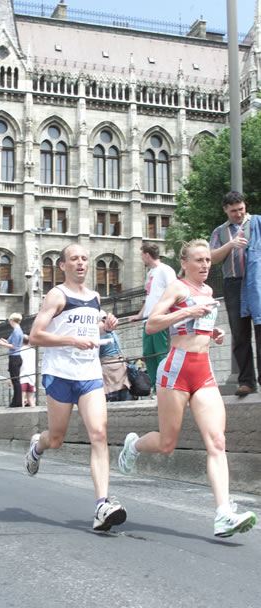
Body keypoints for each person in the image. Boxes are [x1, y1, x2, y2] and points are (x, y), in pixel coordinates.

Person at [118, 239, 256, 538]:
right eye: (198, 260)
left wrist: (212, 331)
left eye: (207, 260)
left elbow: (196, 326)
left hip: (203, 372)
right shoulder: (177, 288)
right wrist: (186, 313)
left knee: (217, 441)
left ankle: (223, 514)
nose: (205, 265)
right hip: (176, 372)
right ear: (184, 263)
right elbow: (152, 324)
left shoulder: (208, 291)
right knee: (167, 443)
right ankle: (134, 446)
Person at [26, 243, 127, 532]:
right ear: (63, 266)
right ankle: (38, 446)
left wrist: (105, 328)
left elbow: (86, 330)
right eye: (74, 259)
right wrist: (72, 340)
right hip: (60, 374)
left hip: (89, 374)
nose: (81, 263)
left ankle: (102, 505)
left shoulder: (95, 297)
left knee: (99, 433)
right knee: (56, 438)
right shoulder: (57, 295)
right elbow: (35, 336)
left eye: (84, 258)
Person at [210, 191, 261, 397]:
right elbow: (211, 258)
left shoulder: (257, 223)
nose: (238, 214)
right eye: (233, 211)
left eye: (241, 209)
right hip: (233, 284)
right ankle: (246, 381)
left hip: (257, 282)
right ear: (225, 210)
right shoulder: (219, 232)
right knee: (240, 334)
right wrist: (230, 245)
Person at [129, 243, 176, 389]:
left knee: (161, 353)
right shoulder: (151, 273)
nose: (142, 258)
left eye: (142, 255)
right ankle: (156, 387)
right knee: (148, 354)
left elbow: (174, 292)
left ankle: (165, 386)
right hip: (148, 320)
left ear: (147, 255)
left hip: (160, 319)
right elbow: (149, 297)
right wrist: (139, 315)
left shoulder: (166, 270)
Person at [99, 311, 131, 402]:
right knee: (124, 397)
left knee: (112, 398)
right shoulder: (112, 331)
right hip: (120, 365)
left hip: (108, 368)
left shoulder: (101, 331)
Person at [0, 312, 23, 407]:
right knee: (15, 380)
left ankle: (17, 402)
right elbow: (13, 344)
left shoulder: (16, 331)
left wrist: (2, 344)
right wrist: (5, 342)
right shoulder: (18, 330)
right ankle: (16, 401)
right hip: (16, 357)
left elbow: (14, 346)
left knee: (15, 380)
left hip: (14, 357)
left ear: (11, 320)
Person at [20, 335, 36, 407]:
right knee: (30, 398)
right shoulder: (33, 351)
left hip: (22, 376)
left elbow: (18, 364)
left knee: (22, 398)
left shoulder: (20, 351)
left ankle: (21, 412)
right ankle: (35, 411)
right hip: (32, 377)